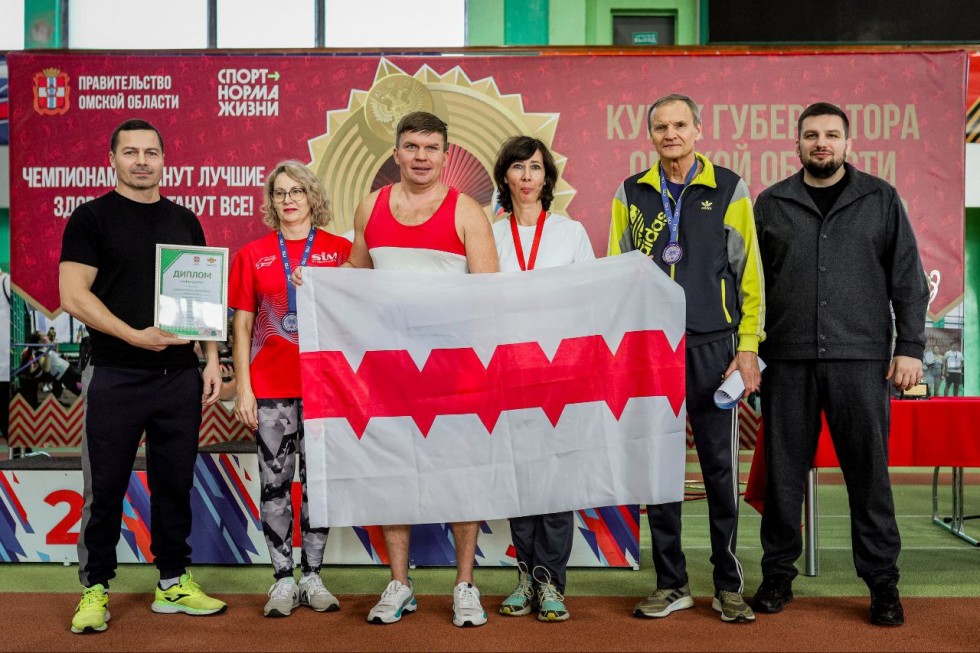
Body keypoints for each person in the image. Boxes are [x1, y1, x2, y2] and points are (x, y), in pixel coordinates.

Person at [296, 111, 498, 627]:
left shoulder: (467, 211)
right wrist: (317, 282)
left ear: (446, 156)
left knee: (461, 474)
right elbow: (357, 273)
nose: (421, 157)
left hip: (454, 369)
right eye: (412, 146)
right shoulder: (371, 206)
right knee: (391, 471)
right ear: (396, 152)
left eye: (431, 148)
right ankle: (400, 584)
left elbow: (490, 294)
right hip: (387, 369)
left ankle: (465, 585)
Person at [752, 102, 928, 627]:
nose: (821, 143)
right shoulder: (771, 203)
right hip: (787, 361)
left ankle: (883, 585)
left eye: (831, 135)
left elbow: (908, 279)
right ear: (797, 144)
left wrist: (910, 347)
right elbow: (751, 287)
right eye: (811, 135)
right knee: (783, 477)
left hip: (861, 360)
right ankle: (777, 576)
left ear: (849, 144)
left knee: (868, 478)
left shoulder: (880, 198)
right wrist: (748, 352)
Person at [59, 119, 227, 635]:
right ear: (112, 159)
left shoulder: (184, 220)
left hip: (178, 377)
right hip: (114, 372)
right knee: (105, 487)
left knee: (175, 483)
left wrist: (211, 358)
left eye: (150, 152)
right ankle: (95, 587)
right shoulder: (90, 219)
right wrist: (133, 335)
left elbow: (205, 299)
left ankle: (172, 581)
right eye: (130, 152)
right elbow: (73, 295)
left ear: (163, 160)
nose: (141, 161)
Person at [608, 93, 765, 624]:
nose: (671, 134)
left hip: (714, 347)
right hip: (653, 352)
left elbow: (749, 275)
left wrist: (748, 347)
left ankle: (727, 586)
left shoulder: (729, 188)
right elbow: (617, 274)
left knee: (721, 472)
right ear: (650, 135)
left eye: (680, 125)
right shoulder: (631, 192)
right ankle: (671, 583)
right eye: (661, 127)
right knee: (659, 471)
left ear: (698, 129)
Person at [229, 161, 351, 617]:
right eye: (280, 192)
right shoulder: (253, 254)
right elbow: (242, 327)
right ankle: (282, 578)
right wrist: (244, 388)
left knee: (319, 487)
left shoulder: (341, 251)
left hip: (326, 392)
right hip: (271, 391)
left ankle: (313, 576)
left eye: (297, 191)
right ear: (271, 201)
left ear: (312, 196)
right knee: (275, 486)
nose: (289, 200)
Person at [491, 136, 595, 623]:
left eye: (536, 167)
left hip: (560, 374)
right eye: (518, 167)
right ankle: (525, 577)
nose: (528, 176)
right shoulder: (490, 234)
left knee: (555, 479)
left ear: (547, 177)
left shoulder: (570, 233)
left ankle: (550, 580)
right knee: (521, 479)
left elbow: (590, 301)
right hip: (508, 373)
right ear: (505, 177)